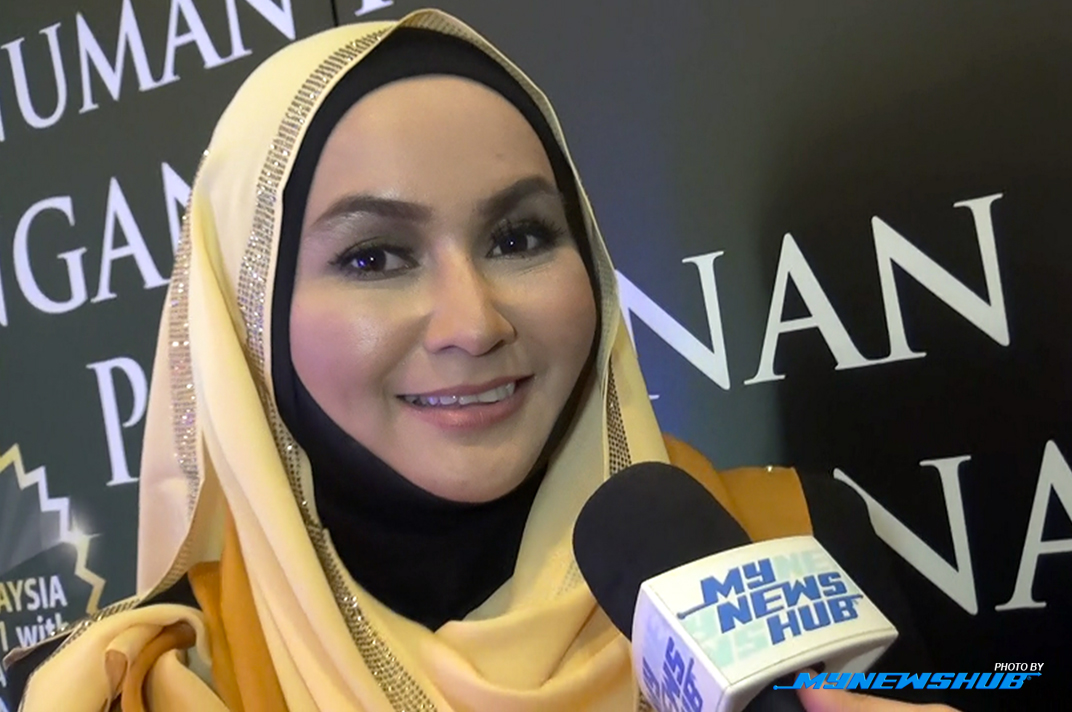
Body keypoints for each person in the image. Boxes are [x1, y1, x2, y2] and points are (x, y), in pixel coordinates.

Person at [3, 9, 957, 712]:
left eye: (520, 237)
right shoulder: (143, 686)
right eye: (374, 257)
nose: (474, 323)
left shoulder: (801, 548)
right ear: (247, 318)